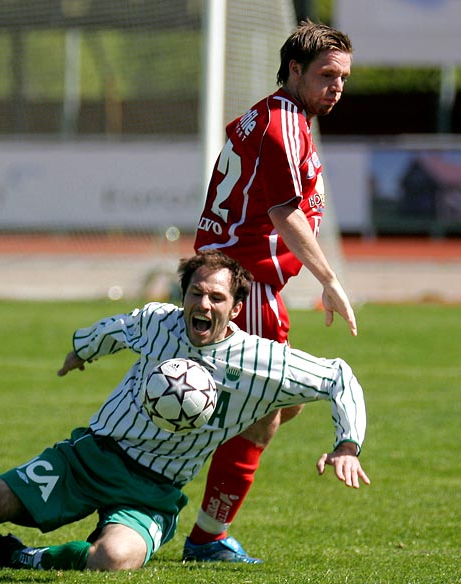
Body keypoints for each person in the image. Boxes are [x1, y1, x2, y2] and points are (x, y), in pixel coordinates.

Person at [0, 250, 369, 574]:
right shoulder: (158, 320)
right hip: (90, 457)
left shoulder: (260, 360)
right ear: (184, 294)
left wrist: (347, 443)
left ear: (235, 306)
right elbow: (111, 331)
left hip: (154, 491)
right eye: (196, 292)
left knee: (114, 561)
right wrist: (80, 350)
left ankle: (17, 558)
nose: (203, 303)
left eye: (216, 297)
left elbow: (339, 375)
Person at [185, 22, 357, 563]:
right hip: (246, 285)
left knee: (278, 405)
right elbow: (284, 212)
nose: (337, 86)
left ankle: (191, 498)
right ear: (294, 70)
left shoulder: (277, 115)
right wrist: (330, 281)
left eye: (344, 77)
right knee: (262, 409)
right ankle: (206, 534)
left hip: (239, 280)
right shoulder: (283, 125)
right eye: (326, 75)